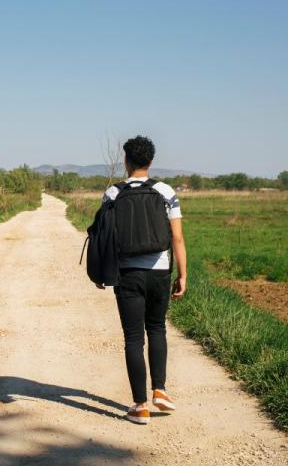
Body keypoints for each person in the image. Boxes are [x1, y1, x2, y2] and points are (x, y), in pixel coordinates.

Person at [97, 135, 187, 424]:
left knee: (133, 338)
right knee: (157, 328)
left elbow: (105, 238)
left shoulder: (113, 193)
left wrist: (101, 272)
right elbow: (177, 237)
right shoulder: (165, 191)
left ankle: (140, 406)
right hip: (160, 272)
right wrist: (183, 274)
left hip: (128, 275)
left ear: (126, 160)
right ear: (150, 161)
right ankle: (160, 390)